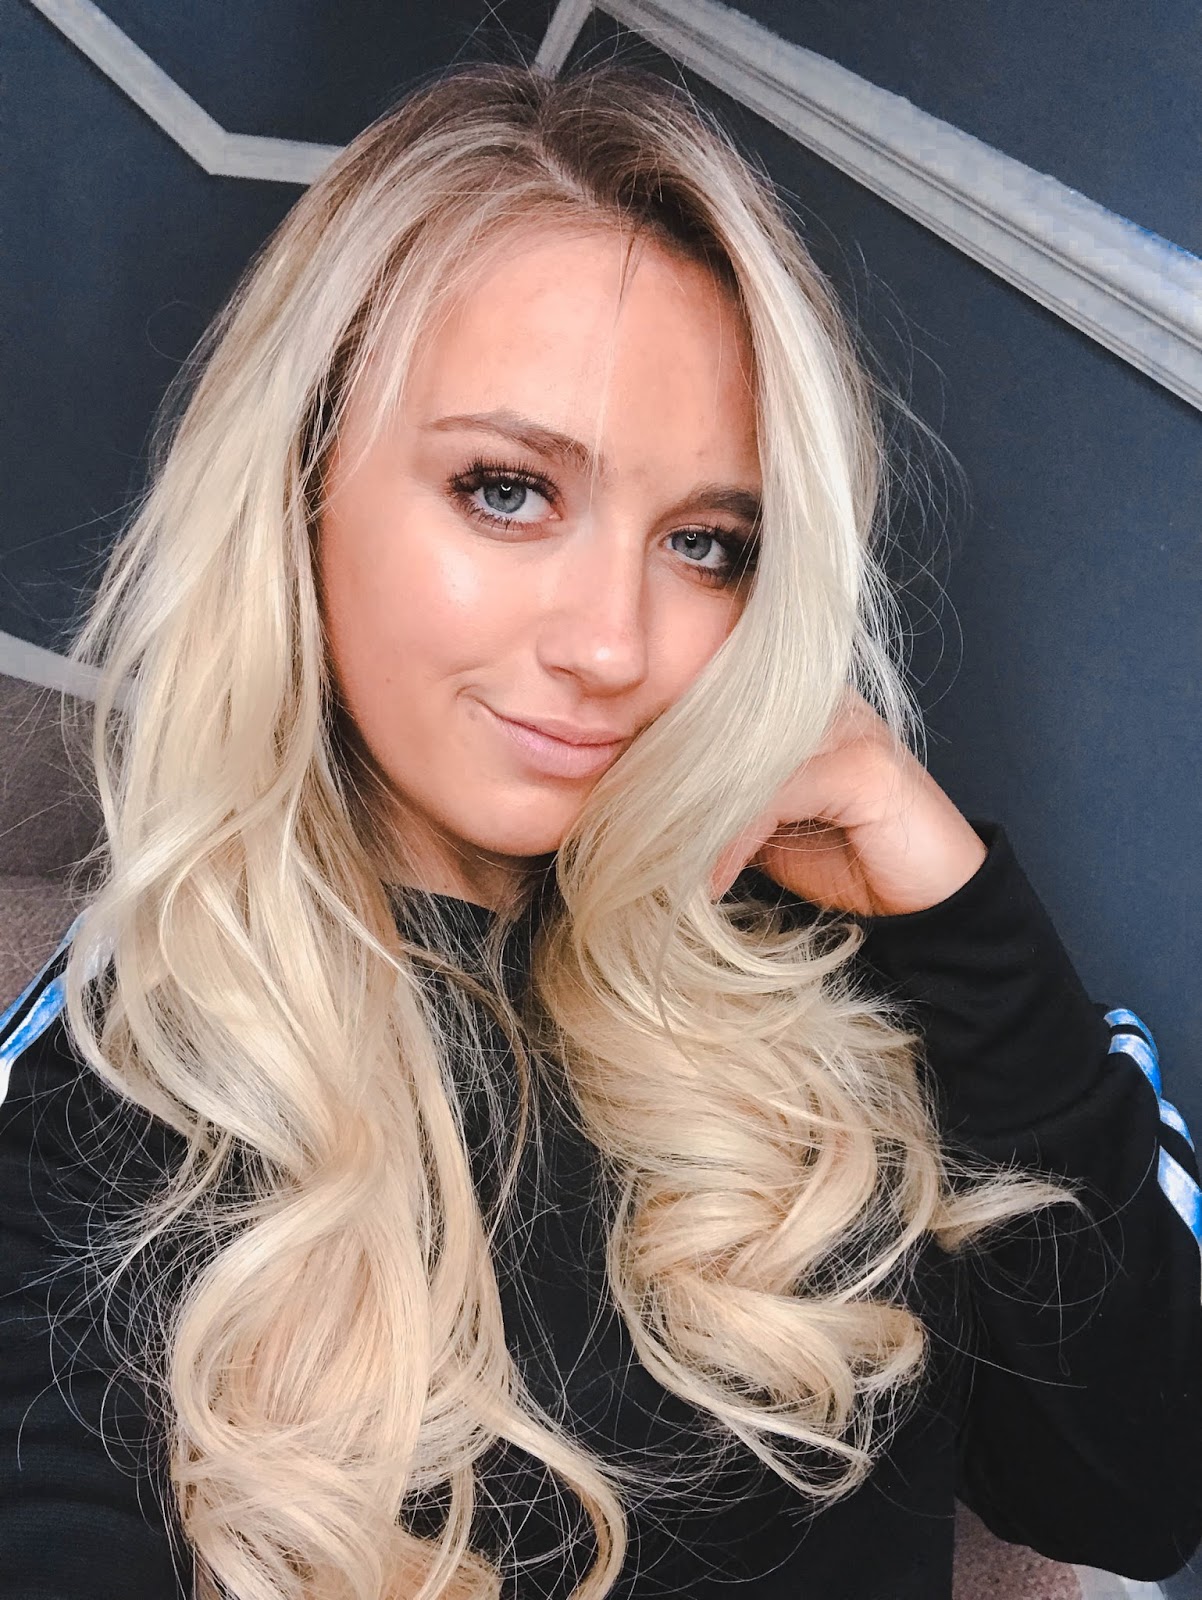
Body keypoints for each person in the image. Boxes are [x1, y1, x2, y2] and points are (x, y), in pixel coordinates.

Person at [0, 58, 1199, 1600]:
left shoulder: (870, 964)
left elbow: (1137, 1493)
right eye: (506, 491)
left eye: (705, 542)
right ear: (299, 483)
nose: (614, 647)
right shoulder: (149, 1031)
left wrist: (957, 920)